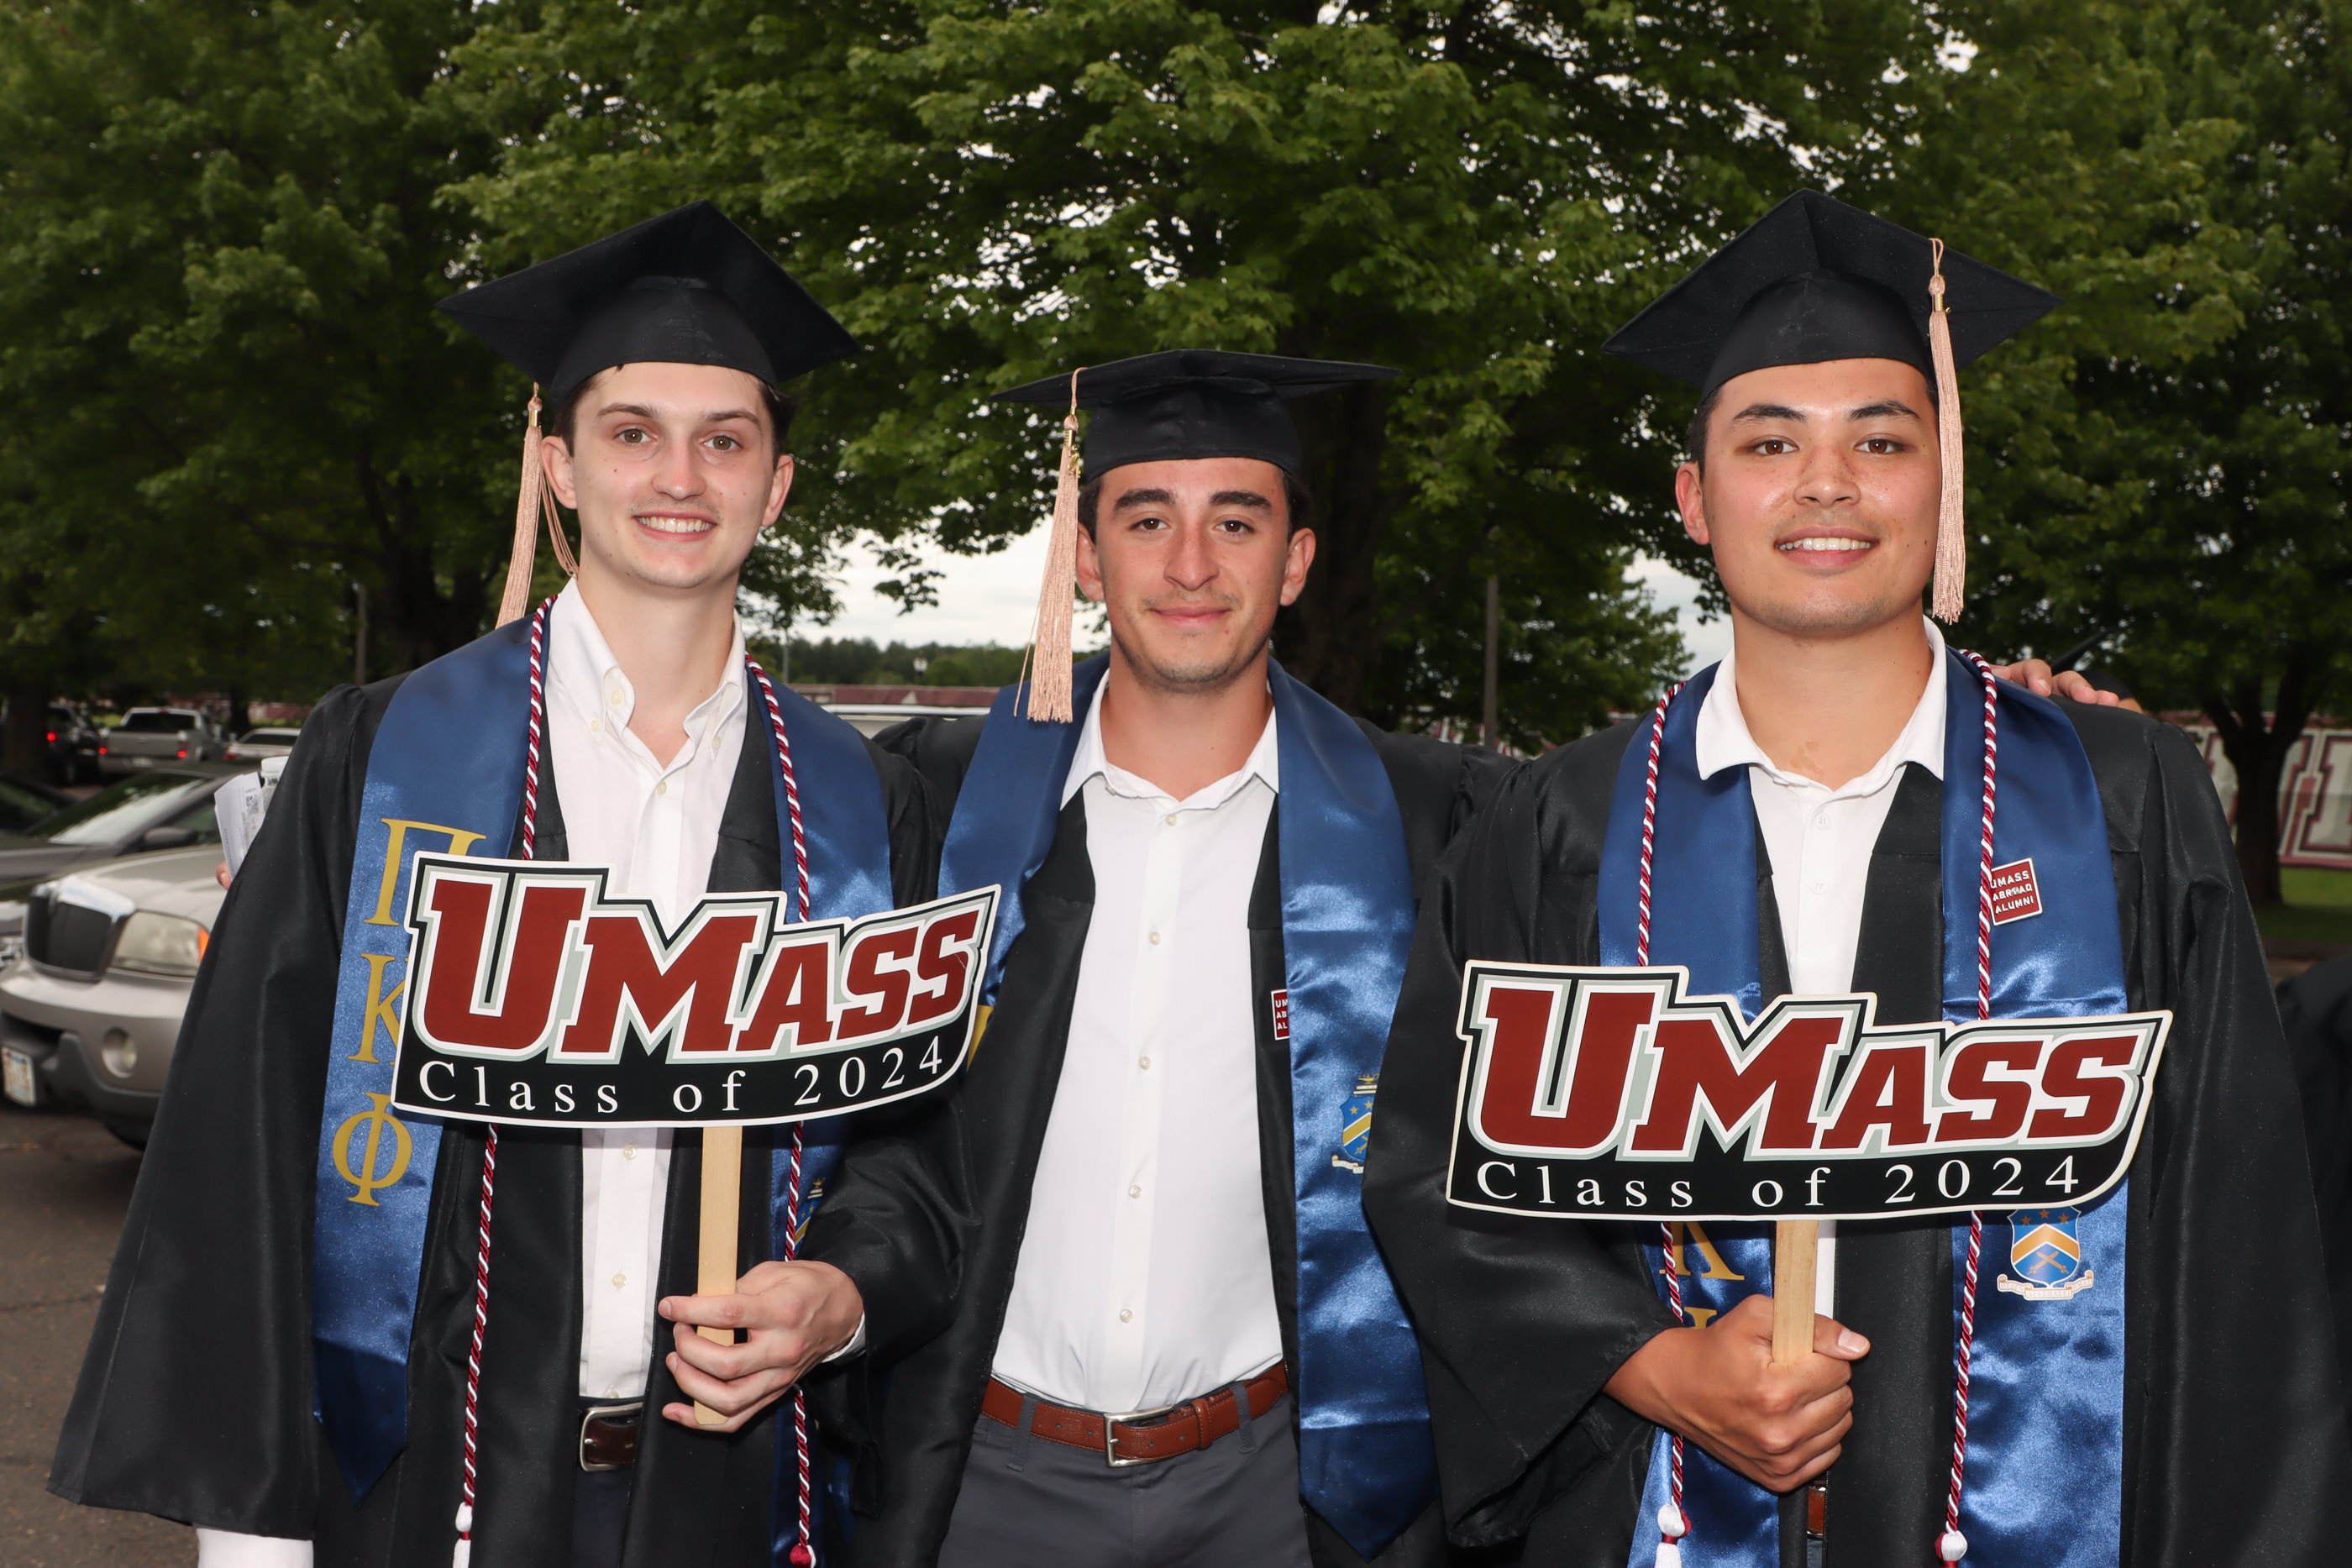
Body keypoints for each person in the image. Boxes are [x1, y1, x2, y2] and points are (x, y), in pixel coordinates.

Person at [1362, 190, 2352, 1568]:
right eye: (1770, 442)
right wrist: (1651, 1365)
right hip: (1652, 1512)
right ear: (1694, 500)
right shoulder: (1561, 823)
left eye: (1881, 440)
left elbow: (2234, 1232)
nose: (1826, 483)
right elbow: (1439, 1172)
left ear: (1944, 482)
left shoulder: (2117, 803)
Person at [50, 202, 949, 1568]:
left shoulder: (859, 804)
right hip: (426, 1486)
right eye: (632, 432)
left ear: (776, 487)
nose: (680, 477)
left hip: (733, 1494)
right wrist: (256, 1541)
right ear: (558, 467)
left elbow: (912, 1145)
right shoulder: (384, 756)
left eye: (725, 441)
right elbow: (248, 1129)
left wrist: (845, 1289)